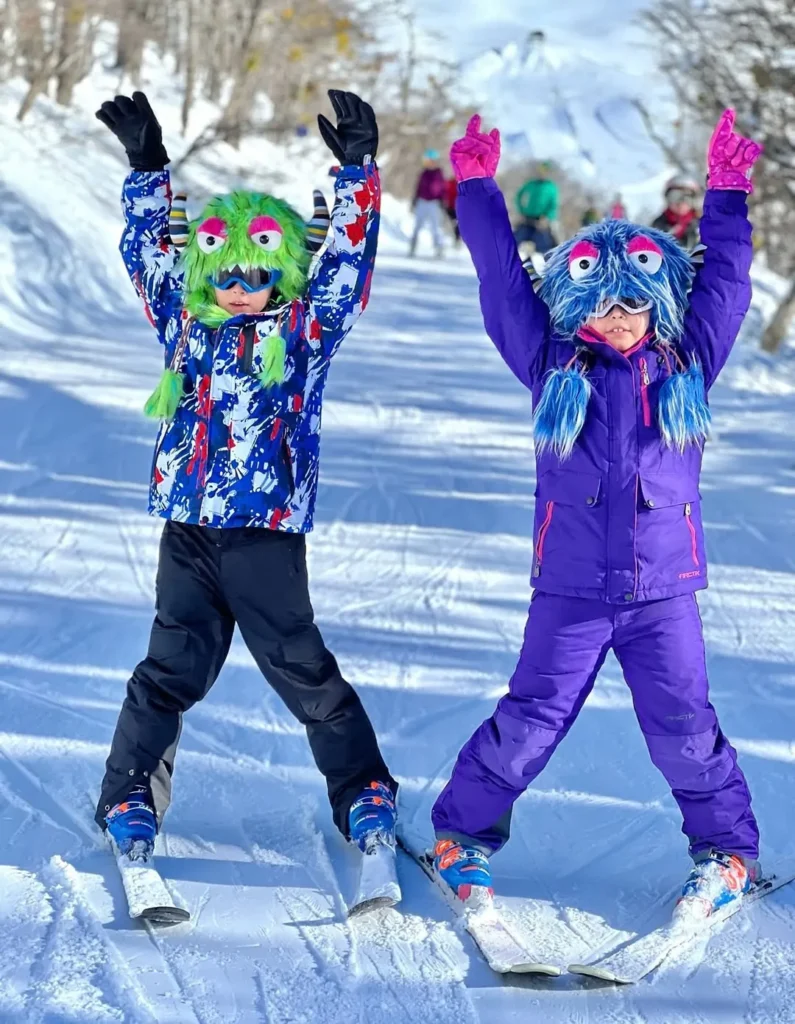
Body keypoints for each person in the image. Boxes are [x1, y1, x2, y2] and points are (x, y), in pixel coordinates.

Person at [432, 111, 763, 919]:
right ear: (574, 301)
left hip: (661, 590)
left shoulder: (687, 363)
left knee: (684, 728)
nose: (617, 316)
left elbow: (725, 280)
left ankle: (725, 853)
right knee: (529, 720)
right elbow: (498, 281)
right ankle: (461, 835)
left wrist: (725, 194)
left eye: (632, 301)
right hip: (572, 587)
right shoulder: (549, 366)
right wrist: (476, 189)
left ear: (654, 300)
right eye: (599, 301)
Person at [93, 90, 397, 861]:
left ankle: (362, 791)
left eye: (256, 275)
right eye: (224, 272)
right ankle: (130, 791)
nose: (238, 287)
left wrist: (357, 173)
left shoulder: (304, 332)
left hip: (262, 533)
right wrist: (148, 168)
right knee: (169, 669)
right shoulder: (185, 321)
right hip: (189, 529)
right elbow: (148, 254)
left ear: (280, 275)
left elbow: (347, 266)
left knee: (304, 672)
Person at [514, 161, 559, 255]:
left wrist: (547, 218)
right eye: (541, 171)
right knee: (514, 240)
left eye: (545, 171)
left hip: (541, 222)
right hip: (527, 219)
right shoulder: (531, 184)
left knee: (546, 246)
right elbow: (519, 196)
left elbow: (553, 206)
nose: (542, 173)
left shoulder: (551, 187)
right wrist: (521, 211)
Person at [410, 149, 446, 257]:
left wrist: (443, 201)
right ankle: (413, 246)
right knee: (417, 226)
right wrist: (415, 200)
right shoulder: (424, 173)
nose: (427, 163)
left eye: (429, 160)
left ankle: (439, 248)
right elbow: (418, 187)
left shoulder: (438, 173)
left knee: (435, 227)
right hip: (422, 201)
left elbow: (442, 188)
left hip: (434, 203)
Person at [653, 176, 700, 249]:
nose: (681, 203)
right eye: (674, 197)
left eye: (687, 198)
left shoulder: (705, 226)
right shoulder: (656, 228)